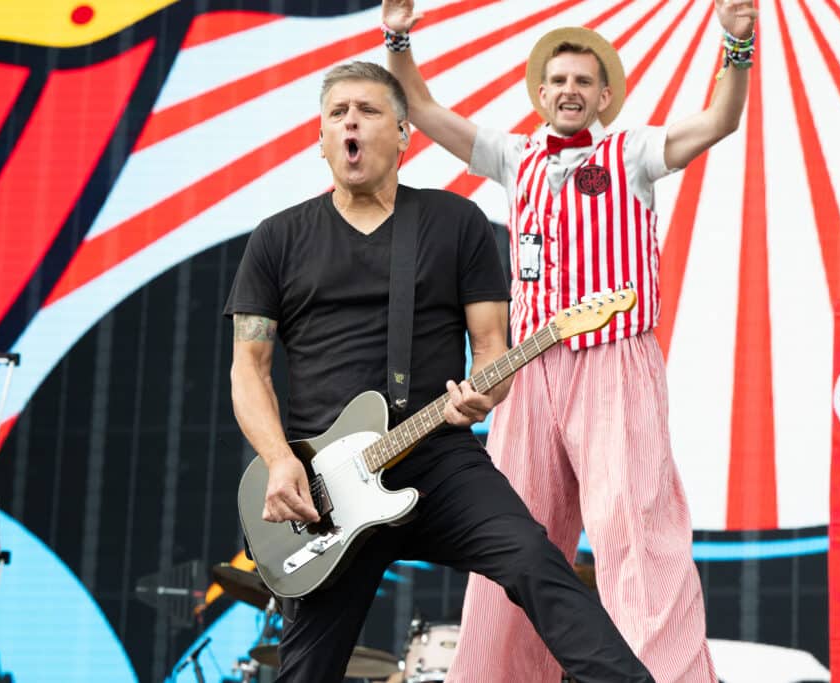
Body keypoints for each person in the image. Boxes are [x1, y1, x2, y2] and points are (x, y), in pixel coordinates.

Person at [225, 61, 654, 683]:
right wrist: (280, 460)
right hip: (324, 488)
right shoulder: (277, 239)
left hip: (437, 453)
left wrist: (483, 394)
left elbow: (491, 351)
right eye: (337, 112)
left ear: (403, 135)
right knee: (306, 669)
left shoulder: (455, 224)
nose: (351, 122)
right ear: (320, 140)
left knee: (534, 558)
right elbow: (249, 367)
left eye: (368, 111)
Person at [381, 1, 757, 681]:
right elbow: (424, 108)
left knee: (636, 532)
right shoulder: (513, 156)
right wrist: (398, 35)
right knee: (512, 540)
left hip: (614, 360)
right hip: (529, 372)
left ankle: (664, 677)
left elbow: (720, 121)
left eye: (584, 81)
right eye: (558, 80)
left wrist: (736, 45)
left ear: (604, 95)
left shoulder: (632, 152)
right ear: (541, 91)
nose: (569, 91)